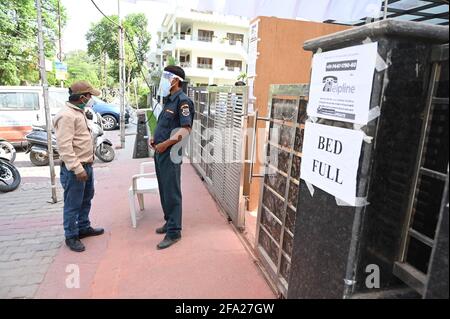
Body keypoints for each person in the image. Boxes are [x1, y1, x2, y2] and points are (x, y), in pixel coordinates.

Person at [53, 81, 105, 253]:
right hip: (76, 169)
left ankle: (83, 227)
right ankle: (71, 236)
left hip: (86, 165)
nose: (91, 99)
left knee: (86, 198)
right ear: (82, 97)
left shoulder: (78, 111)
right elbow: (65, 147)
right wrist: (77, 168)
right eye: (90, 96)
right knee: (72, 204)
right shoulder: (67, 115)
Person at [150, 66, 194, 250]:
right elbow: (164, 125)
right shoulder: (168, 101)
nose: (163, 81)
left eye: (166, 78)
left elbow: (185, 130)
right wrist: (155, 137)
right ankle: (169, 221)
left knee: (172, 192)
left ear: (175, 80)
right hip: (160, 152)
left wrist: (165, 144)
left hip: (170, 153)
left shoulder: (183, 102)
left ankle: (174, 231)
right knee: (164, 189)